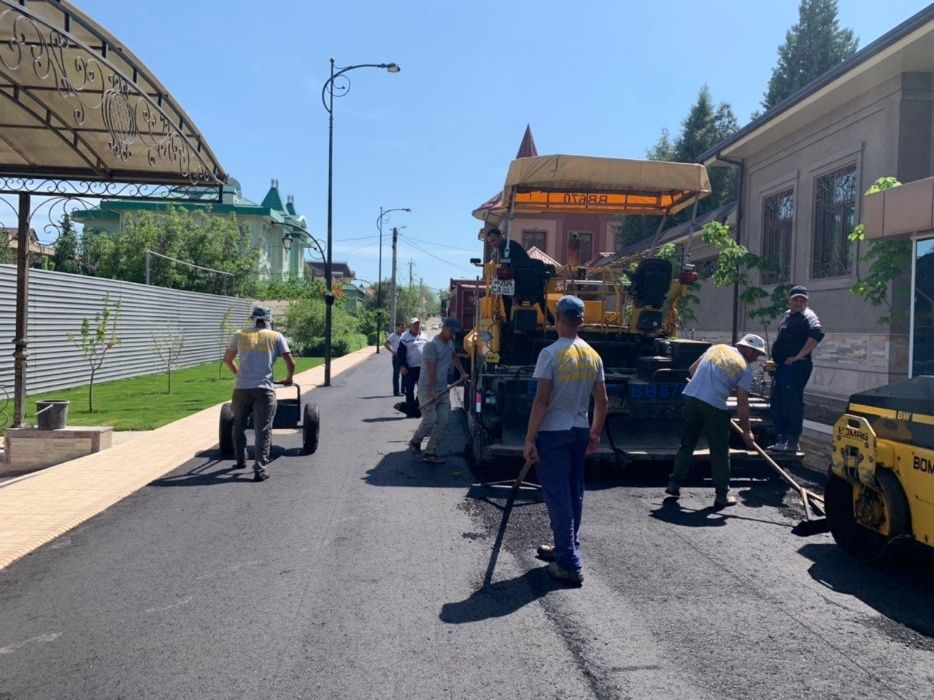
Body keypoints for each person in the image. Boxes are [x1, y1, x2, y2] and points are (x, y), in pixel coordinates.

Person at [523, 295, 608, 587]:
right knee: (574, 492)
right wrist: (595, 432)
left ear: (558, 318)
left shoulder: (550, 354)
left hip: (554, 433)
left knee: (557, 495)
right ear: (581, 321)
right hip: (580, 430)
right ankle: (565, 547)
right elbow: (602, 400)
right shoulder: (593, 355)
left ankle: (569, 564)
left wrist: (530, 438)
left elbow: (542, 400)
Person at [665, 334, 766, 509]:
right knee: (719, 450)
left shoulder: (716, 348)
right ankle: (721, 495)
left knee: (687, 444)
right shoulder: (745, 368)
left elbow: (692, 370)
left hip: (691, 397)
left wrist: (707, 384)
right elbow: (742, 403)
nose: (756, 359)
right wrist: (746, 431)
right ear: (748, 349)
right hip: (714, 404)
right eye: (756, 354)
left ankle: (674, 484)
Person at [223, 306, 295, 482]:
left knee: (238, 425)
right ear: (268, 320)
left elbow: (227, 359)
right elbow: (290, 363)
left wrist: (239, 374)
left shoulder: (239, 335)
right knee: (262, 429)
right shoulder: (276, 336)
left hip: (241, 388)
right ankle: (260, 469)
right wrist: (288, 379)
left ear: (253, 319)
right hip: (264, 389)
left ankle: (240, 460)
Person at [767, 286, 824, 454]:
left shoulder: (808, 315)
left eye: (803, 300)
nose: (799, 302)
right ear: (789, 299)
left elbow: (818, 333)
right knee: (778, 401)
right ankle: (782, 439)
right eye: (796, 299)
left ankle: (792, 441)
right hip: (783, 367)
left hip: (796, 367)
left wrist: (799, 355)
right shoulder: (787, 316)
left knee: (792, 402)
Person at [408, 317, 467, 463]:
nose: (454, 335)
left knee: (443, 421)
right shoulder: (431, 346)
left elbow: (453, 357)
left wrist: (462, 372)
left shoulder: (450, 344)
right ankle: (415, 442)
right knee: (430, 419)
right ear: (445, 328)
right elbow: (430, 369)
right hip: (428, 388)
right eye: (452, 332)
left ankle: (430, 452)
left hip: (443, 388)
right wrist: (432, 390)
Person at [485, 228, 555, 326]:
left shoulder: (505, 247)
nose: (492, 244)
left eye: (493, 240)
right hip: (529, 281)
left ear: (500, 237)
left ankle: (508, 320)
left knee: (505, 293)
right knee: (541, 301)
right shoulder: (508, 246)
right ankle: (553, 321)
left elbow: (509, 267)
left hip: (521, 279)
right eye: (490, 242)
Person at [398, 318, 428, 417]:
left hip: (422, 368)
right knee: (409, 391)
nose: (416, 326)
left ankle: (416, 409)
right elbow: (400, 353)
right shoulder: (404, 337)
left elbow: (428, 351)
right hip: (409, 368)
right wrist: (402, 366)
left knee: (422, 390)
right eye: (414, 324)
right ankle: (411, 413)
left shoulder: (424, 336)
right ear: (410, 326)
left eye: (418, 324)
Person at [384, 321, 406, 396]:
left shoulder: (404, 335)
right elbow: (385, 343)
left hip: (404, 356)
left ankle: (403, 390)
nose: (403, 329)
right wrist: (392, 351)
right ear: (397, 328)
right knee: (396, 375)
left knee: (405, 373)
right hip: (396, 356)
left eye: (404, 327)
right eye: (401, 327)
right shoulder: (393, 335)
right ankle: (396, 392)